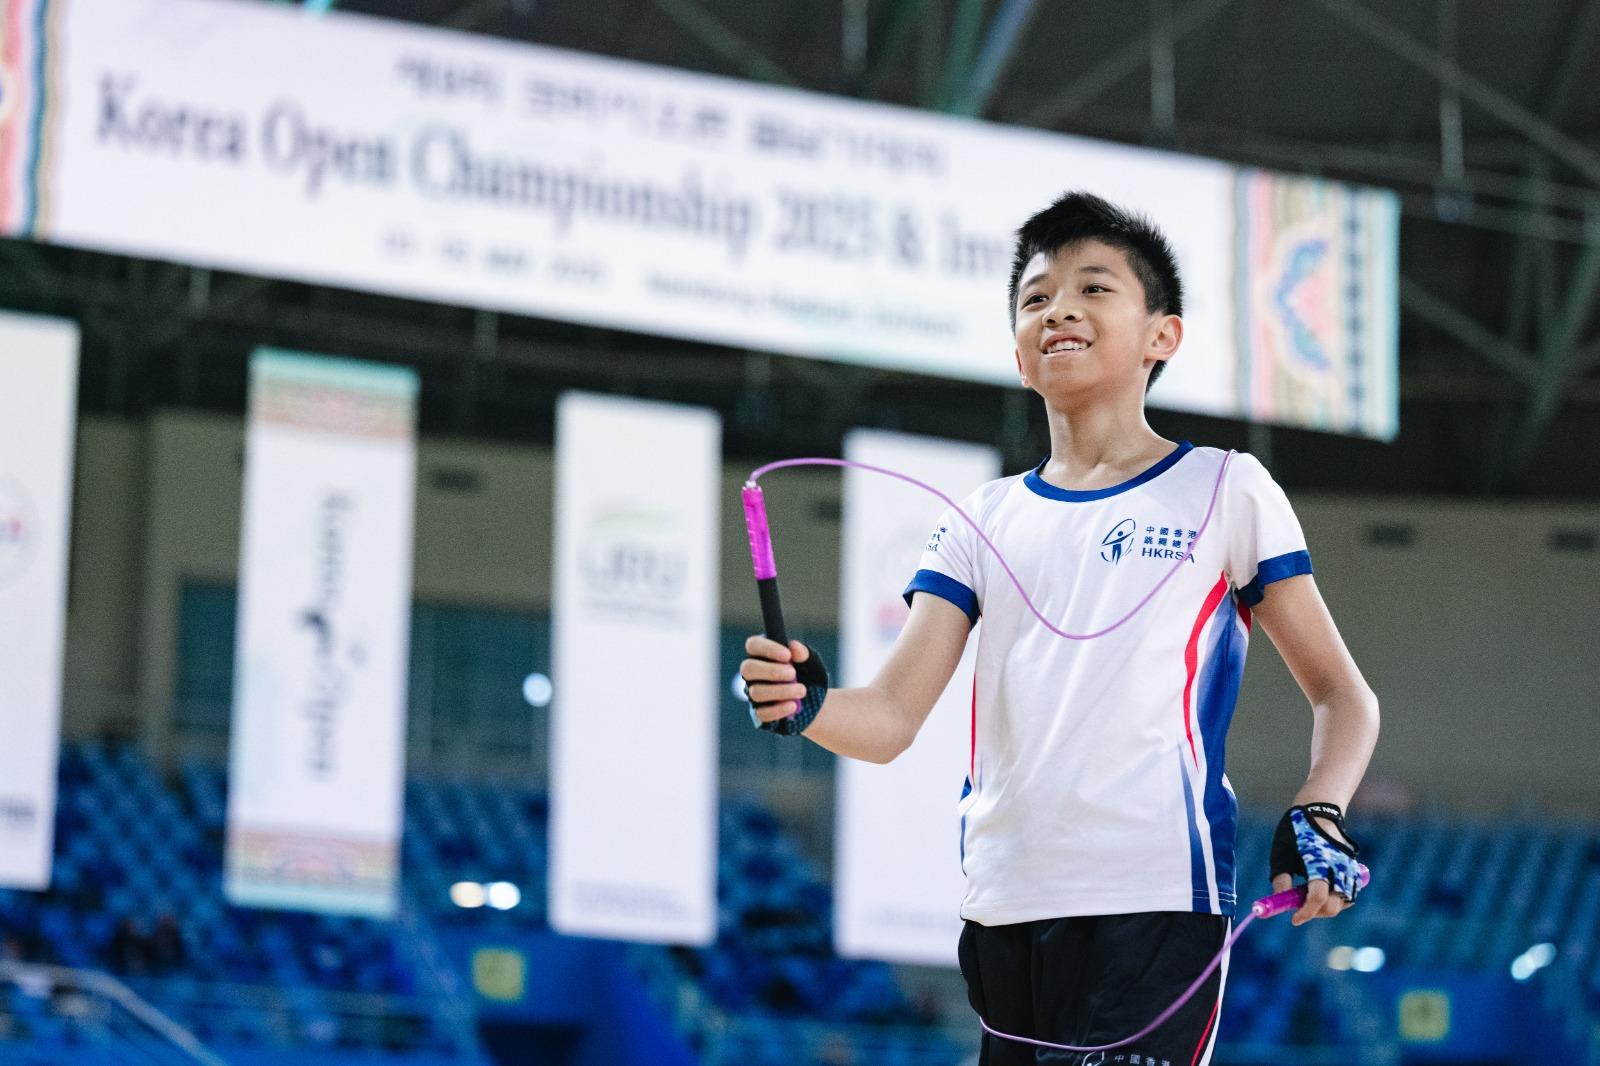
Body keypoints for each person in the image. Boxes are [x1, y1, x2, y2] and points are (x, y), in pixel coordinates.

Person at [741, 192, 1380, 1065]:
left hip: (1157, 900)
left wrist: (1320, 808)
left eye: (1093, 288)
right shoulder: (979, 519)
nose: (1059, 310)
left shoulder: (1226, 488)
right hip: (1004, 908)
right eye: (1036, 298)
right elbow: (889, 720)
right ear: (1018, 354)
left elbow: (1342, 694)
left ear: (1163, 336)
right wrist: (808, 704)